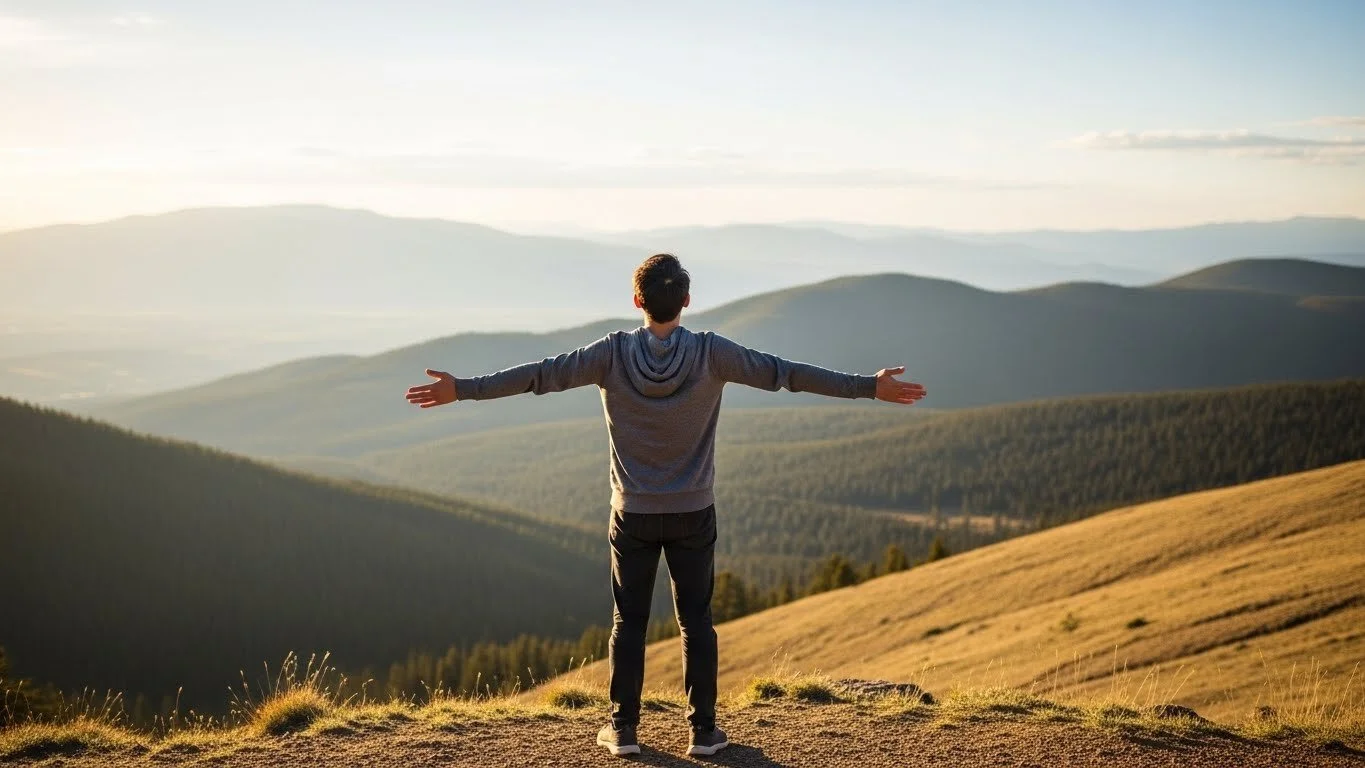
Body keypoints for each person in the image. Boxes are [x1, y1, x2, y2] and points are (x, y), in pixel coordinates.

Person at [404, 254, 927, 757]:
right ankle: (703, 732)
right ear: (687, 301)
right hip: (693, 512)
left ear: (637, 300)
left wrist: (464, 389)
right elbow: (786, 372)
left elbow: (540, 374)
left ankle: (623, 729)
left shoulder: (610, 353)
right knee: (696, 622)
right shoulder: (710, 353)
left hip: (630, 511)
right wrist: (868, 387)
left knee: (627, 623)